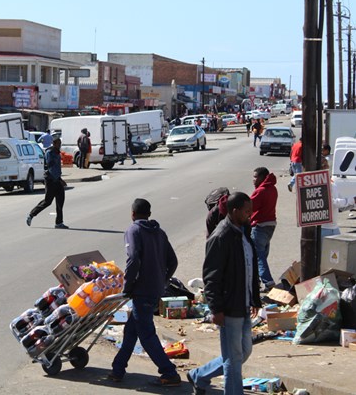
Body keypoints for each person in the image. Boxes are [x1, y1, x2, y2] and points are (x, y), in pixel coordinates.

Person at [187, 192, 261, 395]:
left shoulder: (244, 231)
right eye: (247, 211)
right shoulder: (220, 237)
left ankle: (199, 375)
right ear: (235, 211)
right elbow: (211, 277)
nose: (250, 214)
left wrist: (255, 297)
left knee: (242, 353)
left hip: (244, 304)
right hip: (229, 308)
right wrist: (216, 309)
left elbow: (250, 266)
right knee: (233, 359)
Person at [107, 198, 180, 386]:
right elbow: (173, 261)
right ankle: (118, 369)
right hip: (155, 289)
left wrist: (128, 285)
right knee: (132, 330)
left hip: (142, 290)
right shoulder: (160, 233)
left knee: (146, 334)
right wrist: (162, 280)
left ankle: (169, 372)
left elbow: (133, 259)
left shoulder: (134, 230)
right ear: (149, 213)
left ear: (132, 214)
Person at [26, 138, 67, 229]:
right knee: (47, 201)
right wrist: (59, 180)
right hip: (51, 180)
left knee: (60, 201)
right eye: (58, 143)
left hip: (57, 180)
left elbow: (57, 168)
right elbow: (51, 169)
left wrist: (60, 179)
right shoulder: (50, 153)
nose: (59, 145)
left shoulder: (57, 153)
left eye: (60, 143)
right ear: (54, 143)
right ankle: (31, 215)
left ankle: (59, 222)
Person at [250, 167, 278, 291]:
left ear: (262, 177)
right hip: (270, 225)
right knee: (262, 255)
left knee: (258, 256)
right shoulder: (273, 188)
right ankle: (257, 282)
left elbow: (249, 208)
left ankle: (268, 281)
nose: (253, 180)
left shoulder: (260, 191)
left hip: (259, 225)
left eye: (255, 177)